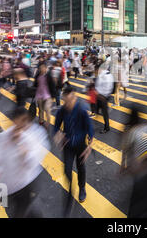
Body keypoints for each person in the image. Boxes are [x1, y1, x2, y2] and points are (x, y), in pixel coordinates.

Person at [0, 107, 49, 218]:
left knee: (19, 212)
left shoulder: (36, 135)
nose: (19, 127)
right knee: (13, 208)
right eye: (16, 123)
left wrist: (22, 149)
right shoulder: (6, 135)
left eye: (23, 122)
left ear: (27, 120)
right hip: (7, 185)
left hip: (27, 184)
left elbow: (32, 163)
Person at [53, 87, 94, 217]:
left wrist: (89, 146)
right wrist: (58, 135)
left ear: (74, 98)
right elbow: (55, 126)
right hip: (68, 145)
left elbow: (90, 129)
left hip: (81, 145)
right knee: (67, 170)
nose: (68, 104)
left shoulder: (81, 110)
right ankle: (70, 189)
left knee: (81, 167)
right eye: (66, 101)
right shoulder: (62, 110)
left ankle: (82, 187)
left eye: (70, 100)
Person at [34, 63, 56, 129]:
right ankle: (41, 121)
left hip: (48, 95)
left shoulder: (49, 76)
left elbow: (53, 86)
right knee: (40, 109)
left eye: (43, 68)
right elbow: (35, 84)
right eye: (40, 68)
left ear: (46, 68)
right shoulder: (37, 76)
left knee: (47, 109)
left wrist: (53, 96)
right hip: (39, 95)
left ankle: (48, 122)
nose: (42, 69)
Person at [95, 63, 114, 133]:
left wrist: (99, 94)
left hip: (101, 97)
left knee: (104, 112)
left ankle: (107, 127)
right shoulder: (110, 74)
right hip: (106, 96)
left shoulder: (101, 76)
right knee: (103, 111)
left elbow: (97, 87)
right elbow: (111, 87)